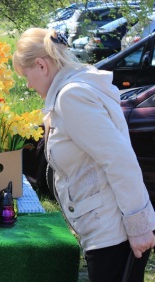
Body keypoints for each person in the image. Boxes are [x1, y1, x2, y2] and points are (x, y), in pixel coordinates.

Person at [12, 27, 155, 282]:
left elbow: (119, 160)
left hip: (113, 235)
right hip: (106, 231)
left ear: (41, 66)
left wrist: (139, 227)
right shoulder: (75, 88)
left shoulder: (72, 97)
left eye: (26, 75)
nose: (28, 84)